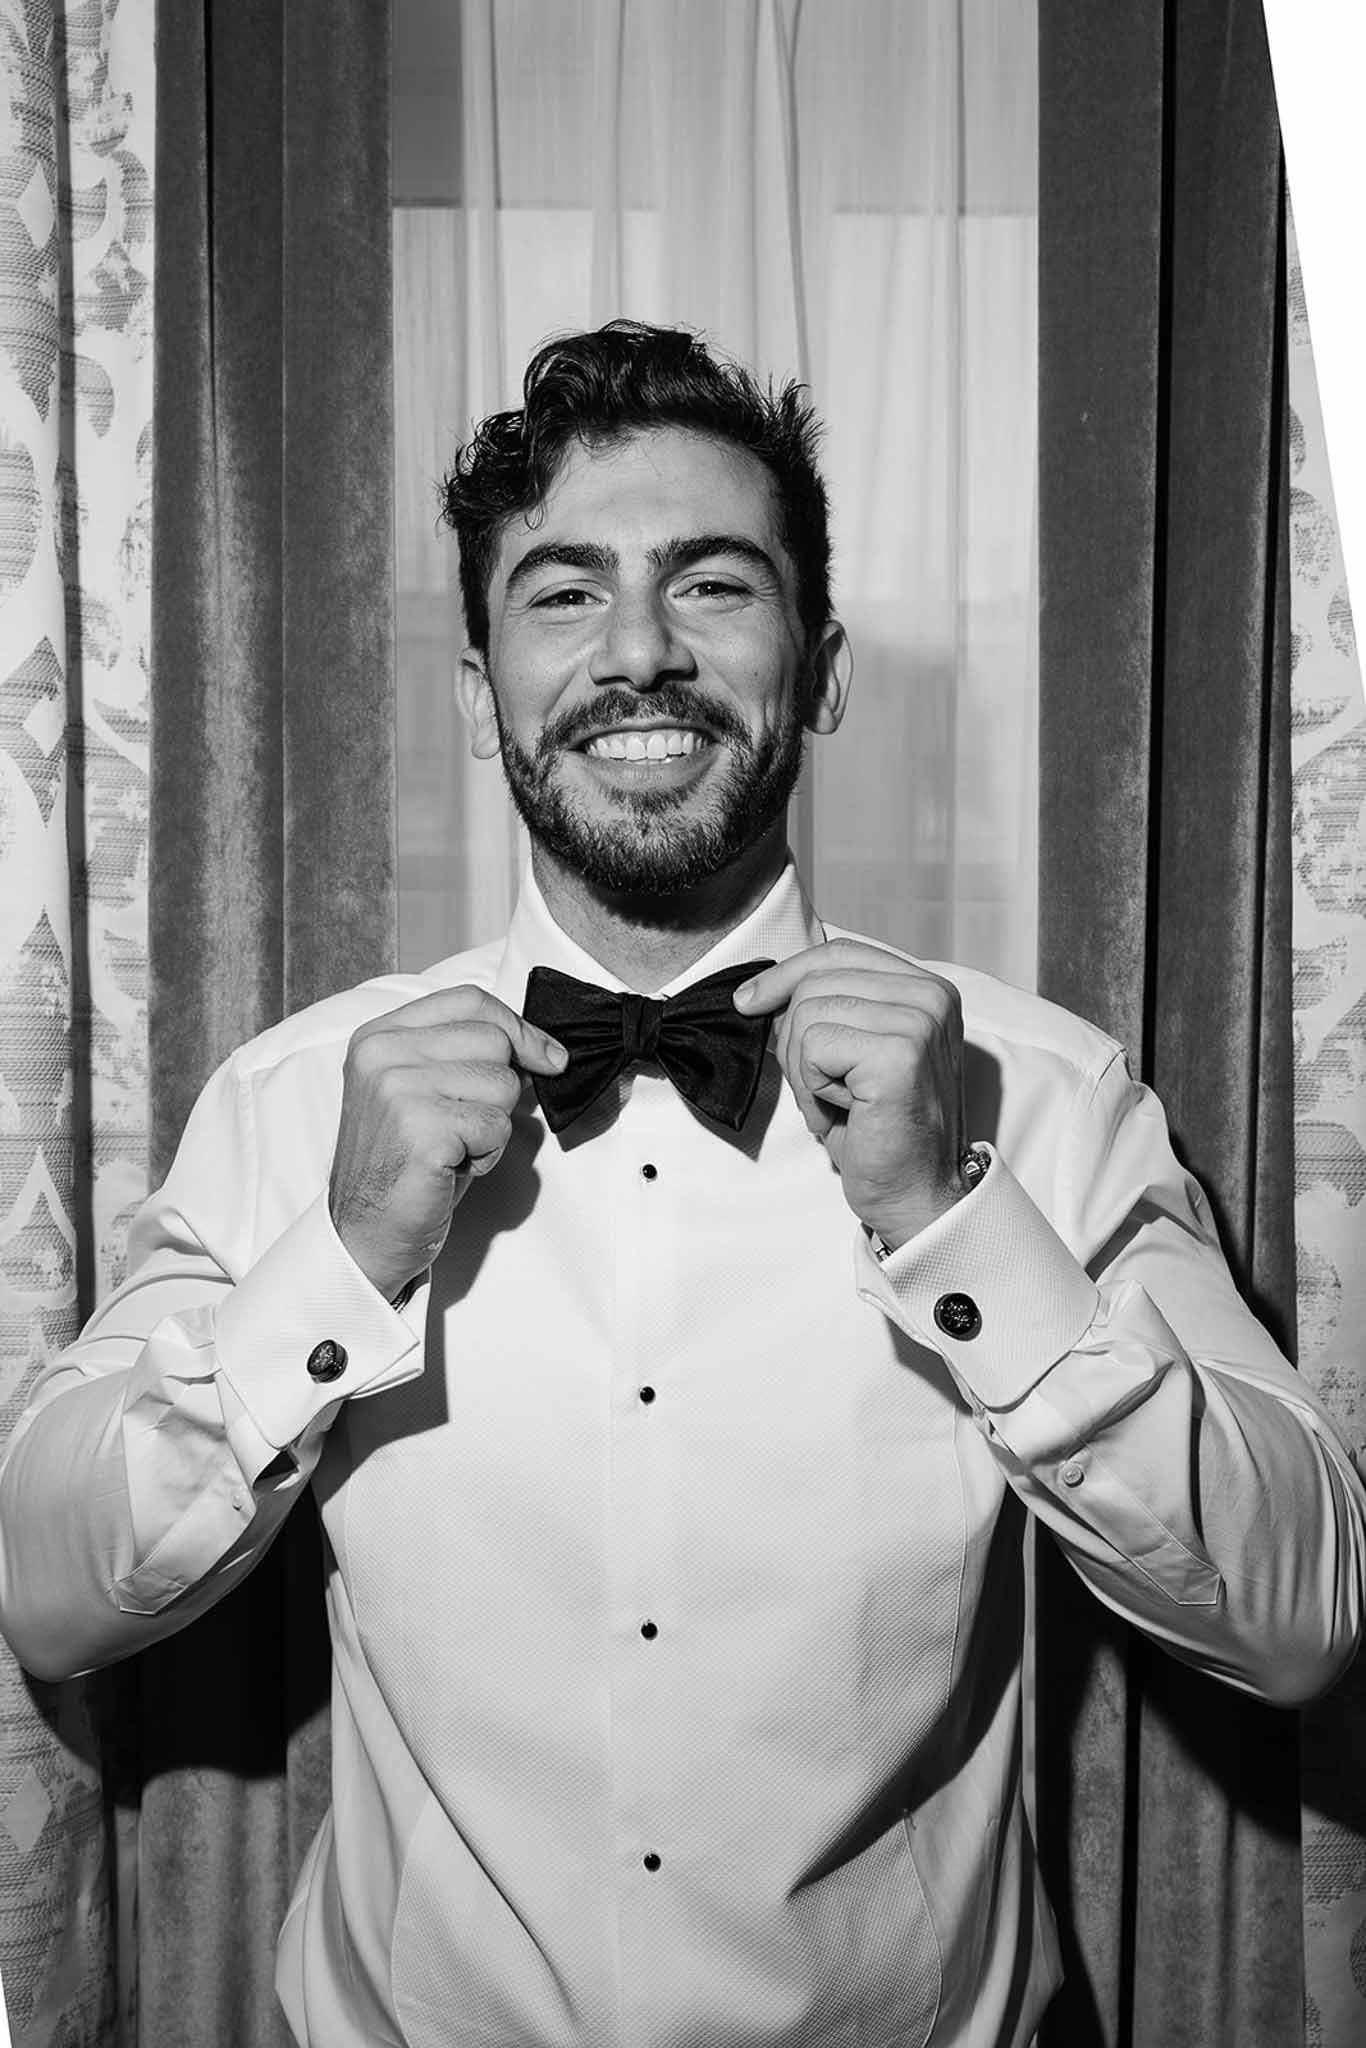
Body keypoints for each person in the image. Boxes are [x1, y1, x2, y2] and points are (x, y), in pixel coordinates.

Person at [1, 320, 1362, 2048]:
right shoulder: (292, 1105)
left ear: (823, 666)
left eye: (711, 585)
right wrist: (341, 1261)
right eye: (564, 593)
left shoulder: (1050, 1096)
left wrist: (955, 1221)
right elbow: (47, 1590)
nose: (639, 652)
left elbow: (1304, 1618)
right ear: (477, 688)